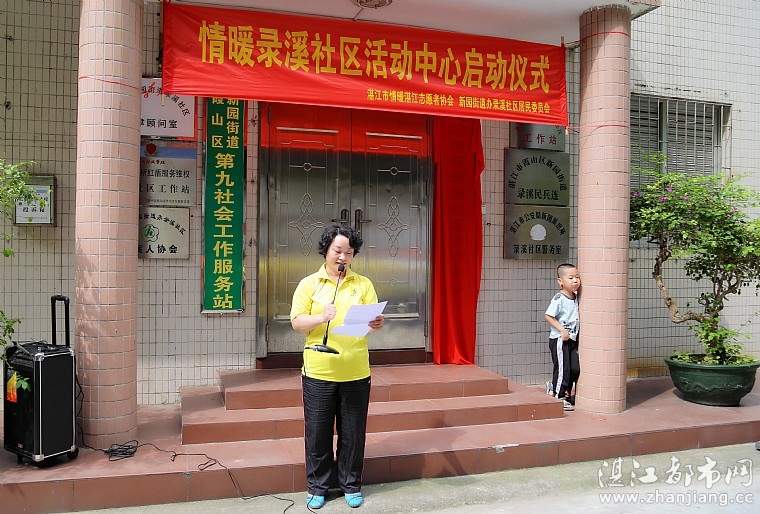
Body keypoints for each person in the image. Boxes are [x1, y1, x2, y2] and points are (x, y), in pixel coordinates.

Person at [290, 223, 385, 510]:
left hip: (355, 371)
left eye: (349, 252)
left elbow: (371, 321)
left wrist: (376, 323)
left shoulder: (363, 284)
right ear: (326, 251)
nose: (343, 257)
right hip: (319, 371)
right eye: (337, 251)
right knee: (318, 432)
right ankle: (317, 487)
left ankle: (350, 484)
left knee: (353, 433)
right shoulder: (310, 284)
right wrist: (320, 317)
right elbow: (296, 322)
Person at [544, 263, 581, 412]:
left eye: (577, 277)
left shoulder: (576, 297)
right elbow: (548, 315)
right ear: (560, 281)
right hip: (560, 340)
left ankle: (555, 387)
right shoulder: (559, 298)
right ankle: (559, 396)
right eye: (570, 278)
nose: (575, 280)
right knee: (562, 369)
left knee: (574, 368)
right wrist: (561, 330)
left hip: (572, 340)